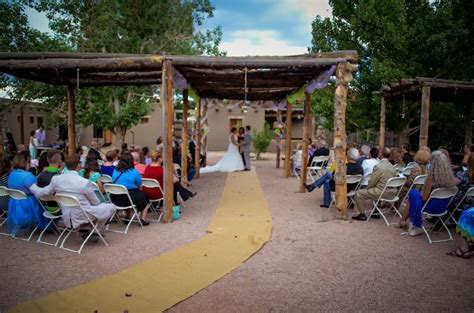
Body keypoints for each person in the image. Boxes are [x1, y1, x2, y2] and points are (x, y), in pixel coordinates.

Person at [30, 154, 116, 239]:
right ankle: (92, 231)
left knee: (95, 209)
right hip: (83, 215)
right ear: (78, 165)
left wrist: (31, 186)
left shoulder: (56, 179)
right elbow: (96, 202)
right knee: (111, 207)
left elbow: (41, 192)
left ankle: (87, 228)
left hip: (66, 215)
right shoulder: (84, 182)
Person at [398, 151, 457, 235]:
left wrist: (422, 191)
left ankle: (415, 224)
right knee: (414, 196)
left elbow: (424, 198)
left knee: (413, 193)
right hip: (443, 207)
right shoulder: (450, 178)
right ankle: (404, 221)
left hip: (430, 208)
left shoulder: (431, 180)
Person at [7, 153, 48, 234]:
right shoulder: (27, 176)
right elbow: (38, 192)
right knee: (45, 200)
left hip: (14, 203)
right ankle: (45, 225)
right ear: (26, 163)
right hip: (29, 204)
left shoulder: (12, 174)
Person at [353, 147, 397, 220]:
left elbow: (372, 182)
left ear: (381, 154)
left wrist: (368, 188)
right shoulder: (393, 167)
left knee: (359, 193)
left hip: (381, 192)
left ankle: (362, 214)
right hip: (392, 193)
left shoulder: (379, 166)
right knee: (377, 188)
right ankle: (375, 211)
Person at [111, 152, 150, 225]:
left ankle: (127, 217)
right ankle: (143, 219)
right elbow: (139, 185)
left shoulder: (115, 170)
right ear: (131, 161)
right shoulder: (134, 172)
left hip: (115, 197)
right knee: (146, 198)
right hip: (128, 198)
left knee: (130, 195)